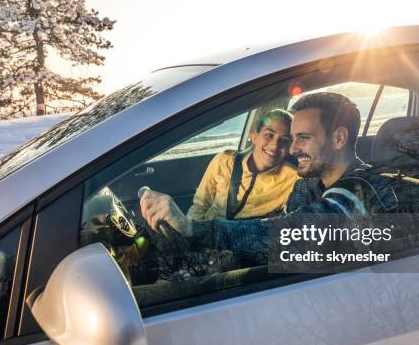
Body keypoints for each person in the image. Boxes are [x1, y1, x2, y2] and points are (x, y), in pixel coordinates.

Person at [140, 92, 398, 265]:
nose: (293, 149)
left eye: (303, 138)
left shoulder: (361, 189)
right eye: (293, 138)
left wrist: (193, 230)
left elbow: (289, 235)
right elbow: (274, 230)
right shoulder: (306, 186)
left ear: (339, 138)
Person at [187, 109, 298, 221]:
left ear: (290, 146)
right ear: (255, 137)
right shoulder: (225, 160)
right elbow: (200, 206)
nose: (275, 145)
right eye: (269, 135)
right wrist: (190, 233)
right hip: (209, 231)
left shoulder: (294, 179)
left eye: (284, 140)